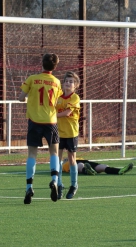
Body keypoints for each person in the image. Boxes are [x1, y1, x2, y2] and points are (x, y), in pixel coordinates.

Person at [19, 53, 63, 204]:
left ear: (42, 64)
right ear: (55, 66)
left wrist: (27, 97)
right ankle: (54, 180)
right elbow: (56, 100)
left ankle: (29, 186)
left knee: (32, 154)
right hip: (51, 121)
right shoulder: (57, 82)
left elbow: (20, 97)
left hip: (34, 121)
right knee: (54, 152)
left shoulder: (32, 79)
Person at [56, 71, 80, 200]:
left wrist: (51, 116)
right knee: (57, 160)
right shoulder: (58, 96)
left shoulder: (75, 98)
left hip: (71, 132)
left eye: (71, 82)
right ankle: (59, 185)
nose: (68, 83)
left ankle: (74, 185)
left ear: (76, 85)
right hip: (58, 132)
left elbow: (67, 113)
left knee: (71, 159)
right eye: (66, 81)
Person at [62, 158, 134, 175]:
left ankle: (88, 171)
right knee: (102, 167)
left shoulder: (65, 165)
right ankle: (118, 171)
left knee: (80, 166)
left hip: (81, 163)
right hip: (87, 162)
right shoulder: (65, 164)